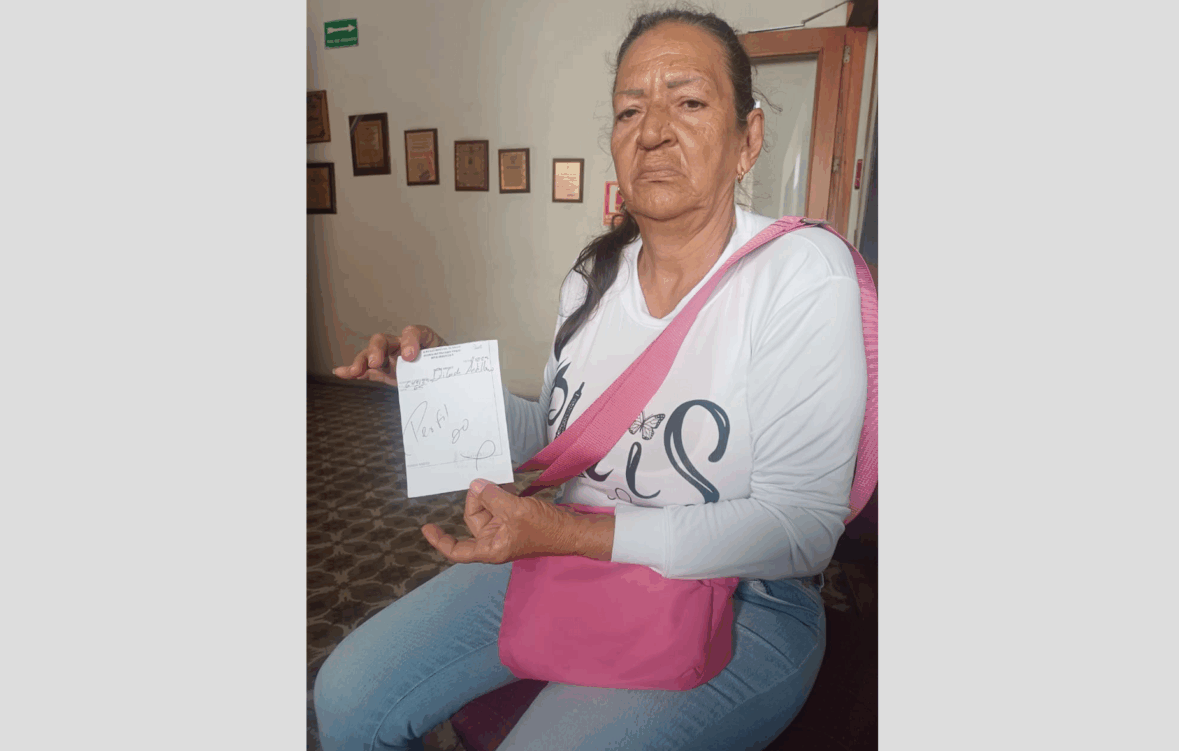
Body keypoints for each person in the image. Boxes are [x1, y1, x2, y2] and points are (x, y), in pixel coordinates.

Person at [314, 8, 866, 751]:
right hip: (570, 561)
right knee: (345, 697)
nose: (653, 130)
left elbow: (799, 531)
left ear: (749, 138)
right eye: (630, 109)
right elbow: (557, 440)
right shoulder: (594, 277)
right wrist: (436, 385)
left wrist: (576, 532)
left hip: (743, 595)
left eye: (689, 101)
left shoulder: (800, 273)